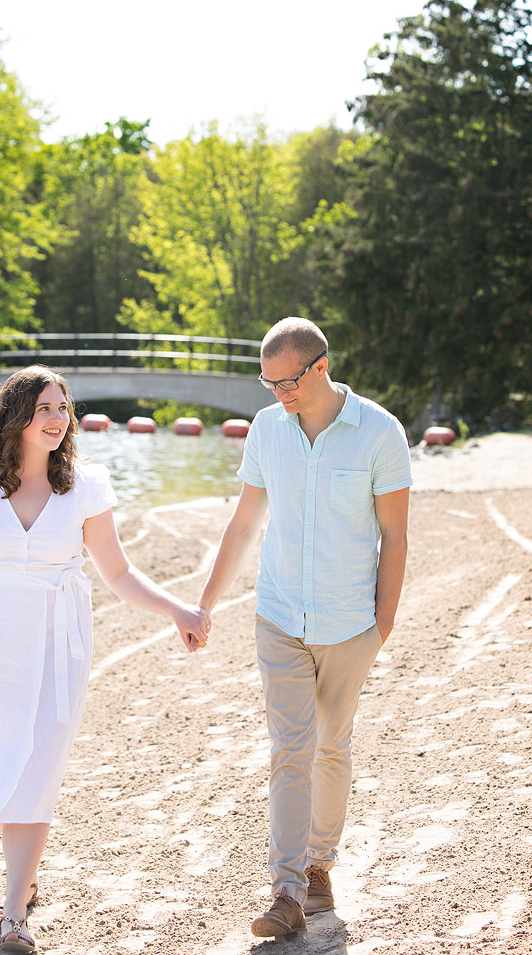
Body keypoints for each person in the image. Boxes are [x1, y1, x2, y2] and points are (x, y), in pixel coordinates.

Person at [0, 366, 210, 953]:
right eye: (44, 408)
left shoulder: (84, 485)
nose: (56, 419)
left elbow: (119, 573)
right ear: (17, 415)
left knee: (39, 765)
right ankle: (22, 883)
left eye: (62, 408)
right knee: (2, 755)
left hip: (60, 639)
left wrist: (177, 610)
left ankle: (13, 914)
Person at [198, 317, 412, 939]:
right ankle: (287, 888)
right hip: (280, 615)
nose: (279, 395)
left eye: (288, 381)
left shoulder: (379, 432)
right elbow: (243, 524)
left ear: (321, 366)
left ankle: (321, 864)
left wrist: (385, 621)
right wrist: (208, 602)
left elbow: (395, 534)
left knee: (331, 747)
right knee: (290, 749)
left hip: (351, 622)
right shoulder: (267, 429)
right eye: (269, 384)